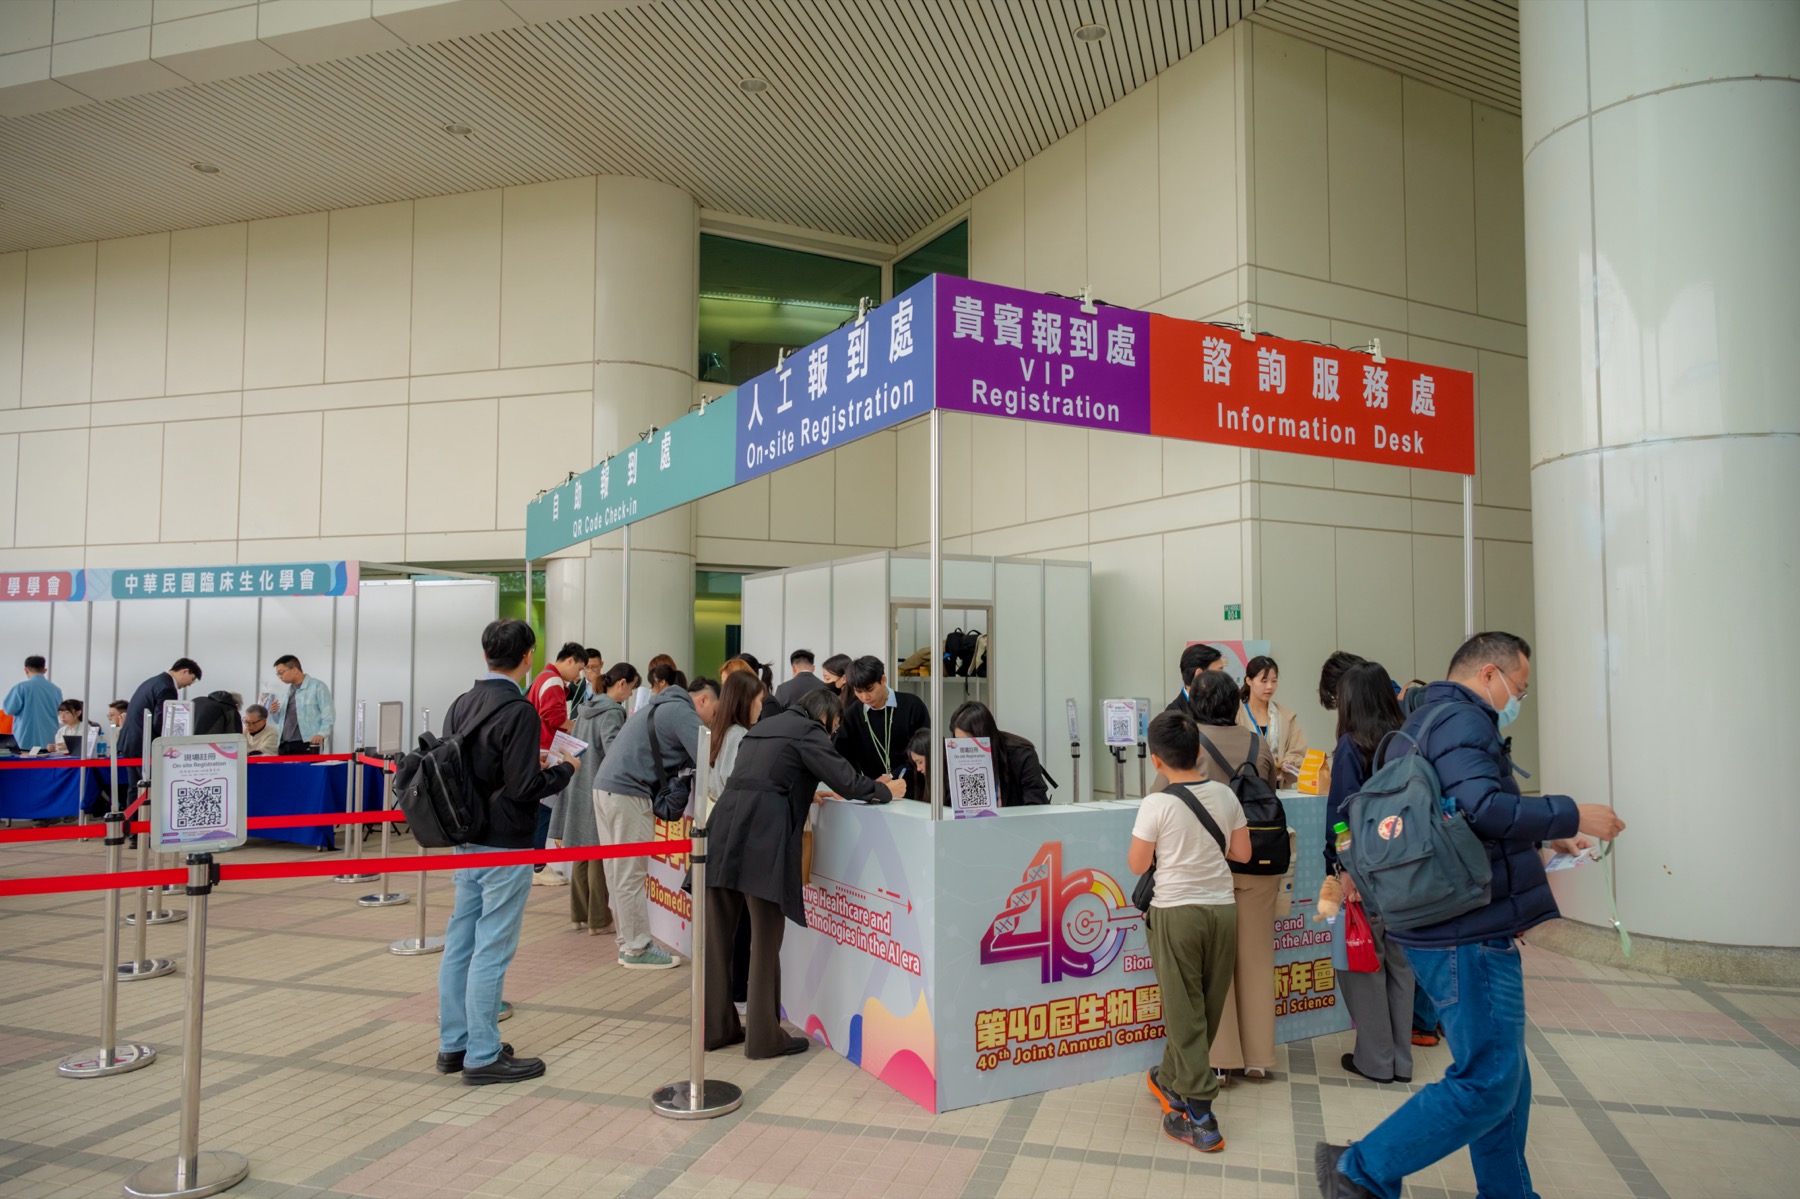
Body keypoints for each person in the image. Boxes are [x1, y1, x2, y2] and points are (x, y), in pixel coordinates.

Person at [1316, 632, 1627, 1199]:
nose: (1518, 699)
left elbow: (1457, 820)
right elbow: (1484, 808)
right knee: (1488, 1080)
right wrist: (1570, 814)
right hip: (1467, 927)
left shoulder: (1424, 721)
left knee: (1505, 1078)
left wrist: (1546, 840)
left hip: (1443, 918)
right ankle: (1359, 1169)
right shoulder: (1463, 720)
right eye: (1519, 688)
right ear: (1489, 674)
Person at [704, 687, 903, 1057]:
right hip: (762, 839)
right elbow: (848, 781)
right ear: (825, 715)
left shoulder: (765, 727)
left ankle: (715, 1029)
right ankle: (764, 1038)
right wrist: (886, 789)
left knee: (717, 939)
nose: (833, 733)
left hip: (722, 831)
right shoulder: (809, 731)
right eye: (835, 726)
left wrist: (804, 790)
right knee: (765, 939)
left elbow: (763, 776)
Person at [434, 619, 574, 1085]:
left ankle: (455, 1043)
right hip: (505, 843)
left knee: (461, 943)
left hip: (465, 839)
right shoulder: (519, 710)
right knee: (492, 949)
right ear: (528, 656)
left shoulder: (461, 703)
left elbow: (472, 769)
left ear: (485, 655)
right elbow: (523, 788)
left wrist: (529, 764)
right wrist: (564, 770)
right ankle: (482, 1054)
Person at [1130, 709, 1251, 1153]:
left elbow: (1138, 864)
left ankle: (1200, 1115)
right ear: (1198, 751)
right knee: (1206, 1005)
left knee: (1184, 1011)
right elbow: (1242, 853)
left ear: (1156, 760)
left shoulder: (1156, 803)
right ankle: (1171, 1079)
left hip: (1176, 913)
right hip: (1222, 910)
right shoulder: (1225, 794)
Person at [1322, 662, 1417, 1086]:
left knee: (1364, 965)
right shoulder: (1407, 739)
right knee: (1400, 966)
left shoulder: (1351, 745)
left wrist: (1344, 868)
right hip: (1408, 868)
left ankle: (1376, 1061)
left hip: (1367, 869)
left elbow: (1342, 816)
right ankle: (1401, 1061)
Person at [591, 659, 698, 969]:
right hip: (628, 794)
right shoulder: (681, 712)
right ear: (703, 699)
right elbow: (708, 754)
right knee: (630, 874)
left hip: (605, 788)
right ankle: (638, 948)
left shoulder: (655, 708)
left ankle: (627, 942)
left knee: (617, 872)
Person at [549, 662, 637, 934]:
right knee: (598, 852)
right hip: (600, 786)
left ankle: (579, 915)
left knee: (581, 851)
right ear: (621, 683)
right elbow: (614, 751)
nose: (631, 695)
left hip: (578, 782)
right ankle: (599, 919)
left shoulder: (586, 708)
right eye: (631, 688)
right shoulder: (613, 712)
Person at [708, 670, 765, 1015]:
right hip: (738, 831)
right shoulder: (741, 735)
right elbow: (739, 783)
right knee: (742, 920)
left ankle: (732, 991)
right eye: (759, 701)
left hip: (723, 828)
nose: (761, 707)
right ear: (746, 701)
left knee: (731, 920)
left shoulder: (721, 731)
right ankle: (739, 992)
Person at [528, 643, 585, 885]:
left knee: (539, 811)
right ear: (569, 660)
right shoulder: (552, 681)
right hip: (547, 753)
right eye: (579, 668)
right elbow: (554, 718)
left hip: (540, 750)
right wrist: (579, 727)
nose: (578, 676)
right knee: (543, 811)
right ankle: (538, 866)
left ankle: (535, 863)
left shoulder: (544, 677)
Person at [836, 655, 929, 782]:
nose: (865, 697)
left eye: (870, 689)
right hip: (874, 786)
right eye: (859, 691)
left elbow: (926, 747)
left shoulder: (912, 705)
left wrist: (893, 776)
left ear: (883, 680)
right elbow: (843, 753)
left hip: (914, 782)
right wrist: (859, 783)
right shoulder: (853, 713)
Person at [947, 700, 1051, 806]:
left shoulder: (1022, 754)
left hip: (1019, 815)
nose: (965, 749)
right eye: (960, 742)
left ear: (984, 736)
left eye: (969, 742)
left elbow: (1036, 802)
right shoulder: (957, 757)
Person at [1237, 656, 1308, 785]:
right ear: (1249, 680)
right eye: (1263, 681)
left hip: (1277, 789)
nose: (1269, 686)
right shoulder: (1237, 715)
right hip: (1245, 786)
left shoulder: (1285, 717)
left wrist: (1290, 762)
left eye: (1274, 681)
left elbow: (1299, 751)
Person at [119, 658, 202, 767]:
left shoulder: (153, 681)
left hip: (131, 742)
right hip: (143, 746)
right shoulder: (167, 688)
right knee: (151, 778)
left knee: (135, 778)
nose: (190, 684)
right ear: (185, 671)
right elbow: (161, 722)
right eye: (192, 679)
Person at [267, 655, 332, 755]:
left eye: (281, 672)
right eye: (278, 674)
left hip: (307, 742)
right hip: (284, 743)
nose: (280, 677)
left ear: (294, 670)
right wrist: (274, 712)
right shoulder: (286, 691)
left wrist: (321, 733)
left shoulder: (317, 687)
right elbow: (279, 720)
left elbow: (328, 714)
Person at [4, 656, 63, 752]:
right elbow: (60, 712)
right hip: (49, 741)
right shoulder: (56, 690)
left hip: (25, 740)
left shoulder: (21, 688)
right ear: (45, 670)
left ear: (26, 670)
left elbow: (9, 710)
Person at [1166, 643, 1225, 712]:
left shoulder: (1221, 706)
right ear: (1199, 674)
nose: (1224, 678)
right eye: (1219, 672)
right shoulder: (1174, 714)